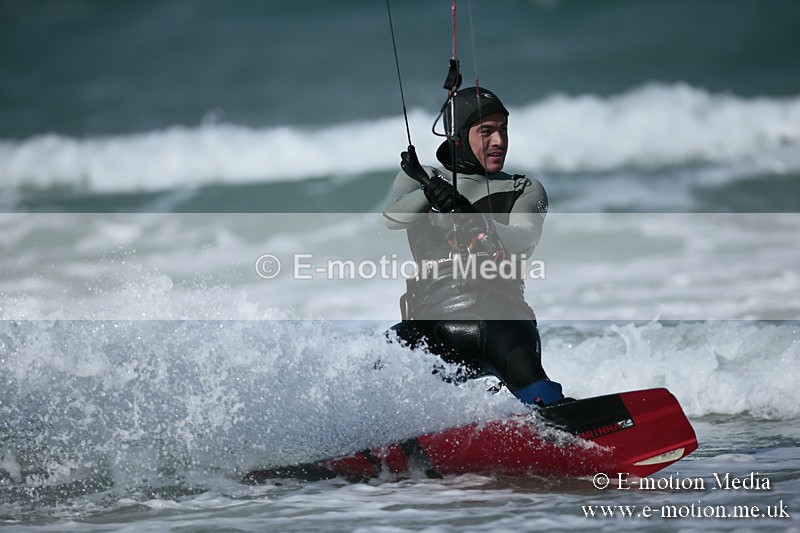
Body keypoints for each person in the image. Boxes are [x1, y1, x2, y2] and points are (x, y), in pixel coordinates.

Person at [382, 86, 564, 406]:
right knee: (371, 372)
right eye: (487, 132)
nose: (499, 141)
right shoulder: (422, 177)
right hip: (432, 327)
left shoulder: (523, 188)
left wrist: (466, 211)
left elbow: (523, 242)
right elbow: (394, 218)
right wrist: (430, 192)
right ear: (459, 137)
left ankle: (577, 426)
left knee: (542, 398)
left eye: (503, 130)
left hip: (502, 323)